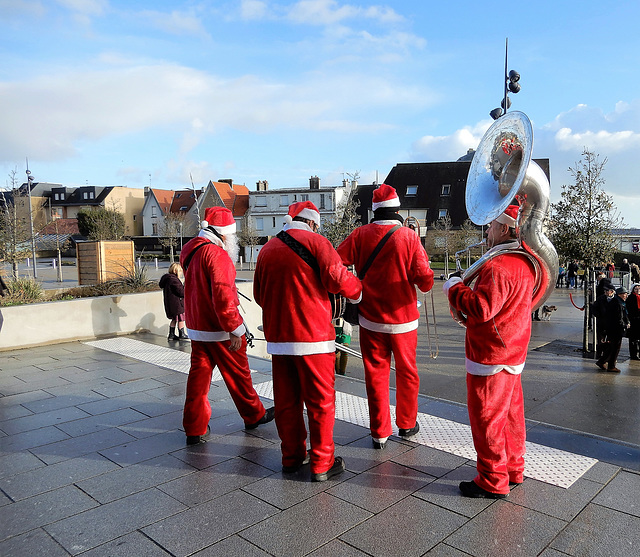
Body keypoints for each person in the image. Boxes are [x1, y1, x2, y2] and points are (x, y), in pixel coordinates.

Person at [254, 201, 362, 482]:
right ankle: (322, 463)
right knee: (320, 402)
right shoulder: (318, 243)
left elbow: (258, 295)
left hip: (279, 339)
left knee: (287, 402)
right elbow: (338, 279)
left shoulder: (267, 249)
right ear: (313, 223)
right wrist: (357, 289)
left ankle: (291, 457)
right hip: (313, 339)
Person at [444, 204, 536, 499]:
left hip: (490, 355)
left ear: (505, 229)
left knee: (487, 419)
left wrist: (454, 287)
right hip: (514, 351)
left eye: (492, 225)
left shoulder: (498, 266)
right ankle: (513, 468)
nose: (487, 231)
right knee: (511, 416)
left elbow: (479, 308)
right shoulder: (526, 262)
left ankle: (492, 479)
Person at [337, 184, 434, 450]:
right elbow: (425, 282)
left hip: (370, 319)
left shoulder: (360, 234)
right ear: (398, 209)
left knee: (375, 374)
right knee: (407, 373)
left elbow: (335, 264)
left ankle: (379, 432)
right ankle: (406, 423)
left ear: (374, 211)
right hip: (403, 320)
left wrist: (355, 289)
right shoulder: (408, 236)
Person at [180, 206, 274, 445]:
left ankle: (195, 427)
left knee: (198, 380)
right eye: (232, 235)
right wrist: (236, 329)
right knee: (239, 375)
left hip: (197, 327)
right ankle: (254, 415)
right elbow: (224, 297)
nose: (234, 240)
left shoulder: (190, 249)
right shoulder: (218, 255)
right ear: (224, 234)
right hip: (220, 330)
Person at [596, 286, 630, 372]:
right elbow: (619, 318)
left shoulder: (620, 302)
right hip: (615, 329)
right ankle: (610, 365)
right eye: (624, 294)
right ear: (619, 294)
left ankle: (603, 361)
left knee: (612, 347)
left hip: (613, 328)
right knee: (615, 348)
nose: (626, 296)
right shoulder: (617, 303)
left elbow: (623, 316)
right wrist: (624, 325)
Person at [159, 263, 188, 341]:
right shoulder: (174, 280)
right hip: (177, 304)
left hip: (171, 304)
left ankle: (171, 334)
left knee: (174, 319)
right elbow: (181, 292)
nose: (181, 273)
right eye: (180, 271)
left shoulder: (167, 279)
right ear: (176, 271)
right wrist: (185, 287)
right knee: (181, 319)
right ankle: (181, 333)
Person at [591, 280, 616, 361]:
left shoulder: (616, 300)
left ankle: (607, 356)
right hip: (601, 323)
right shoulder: (600, 298)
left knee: (610, 341)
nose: (605, 292)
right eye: (604, 290)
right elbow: (594, 308)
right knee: (601, 340)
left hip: (612, 324)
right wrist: (598, 315)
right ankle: (599, 354)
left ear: (612, 292)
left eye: (607, 290)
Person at [628, 284, 640, 360]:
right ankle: (633, 354)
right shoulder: (630, 298)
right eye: (636, 289)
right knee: (633, 339)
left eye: (639, 288)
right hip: (634, 321)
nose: (638, 290)